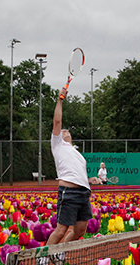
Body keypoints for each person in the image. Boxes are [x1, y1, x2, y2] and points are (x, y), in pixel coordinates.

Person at [46, 87, 92, 245]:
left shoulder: (77, 153)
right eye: (62, 130)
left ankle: (61, 252)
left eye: (67, 131)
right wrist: (60, 99)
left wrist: (90, 180)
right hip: (69, 192)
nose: (64, 131)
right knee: (60, 230)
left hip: (84, 193)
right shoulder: (58, 144)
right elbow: (57, 121)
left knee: (80, 230)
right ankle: (42, 260)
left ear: (71, 137)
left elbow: (78, 173)